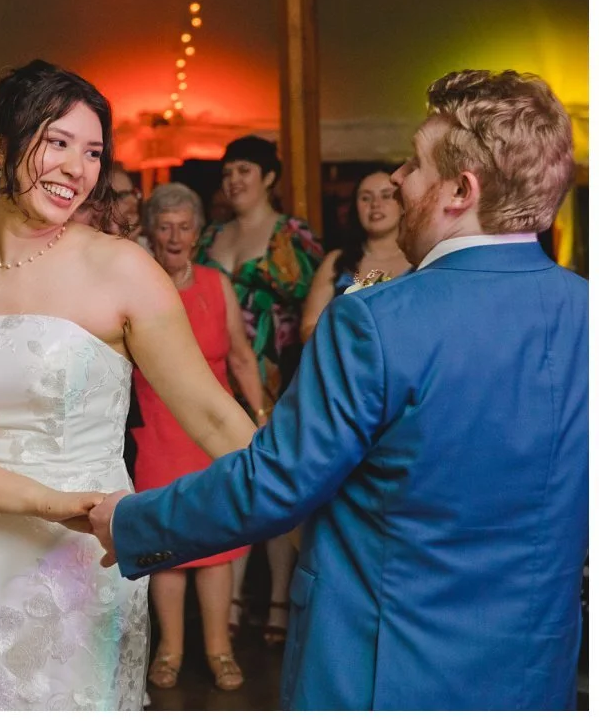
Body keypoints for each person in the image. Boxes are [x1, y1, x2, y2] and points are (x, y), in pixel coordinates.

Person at [91, 69, 587, 710]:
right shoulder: (586, 310)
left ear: (461, 190)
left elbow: (274, 484)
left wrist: (130, 521)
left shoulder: (376, 321)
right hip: (535, 675)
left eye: (415, 162)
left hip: (384, 668)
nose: (401, 178)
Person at [0, 59, 258, 711]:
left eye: (92, 151)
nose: (77, 168)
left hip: (81, 564)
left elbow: (215, 419)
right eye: (57, 142)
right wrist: (50, 503)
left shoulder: (124, 271)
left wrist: (310, 506)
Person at [133, 183, 266, 692]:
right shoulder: (139, 284)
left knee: (216, 544)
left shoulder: (216, 284)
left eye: (184, 226)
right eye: (164, 226)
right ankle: (170, 647)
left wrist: (258, 418)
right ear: (150, 231)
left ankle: (219, 648)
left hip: (210, 431)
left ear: (198, 232)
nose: (174, 236)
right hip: (158, 427)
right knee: (167, 544)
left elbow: (240, 356)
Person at [194, 135, 323, 646]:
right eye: (227, 171)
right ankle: (226, 597)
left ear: (270, 176)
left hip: (277, 373)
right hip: (214, 374)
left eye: (245, 169)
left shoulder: (293, 235)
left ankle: (275, 602)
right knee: (224, 481)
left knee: (272, 482)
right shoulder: (210, 235)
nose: (233, 180)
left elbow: (319, 304)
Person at [300, 170, 412, 342]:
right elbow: (309, 326)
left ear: (403, 203)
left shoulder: (419, 261)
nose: (375, 204)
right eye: (366, 198)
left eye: (386, 195)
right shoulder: (336, 261)